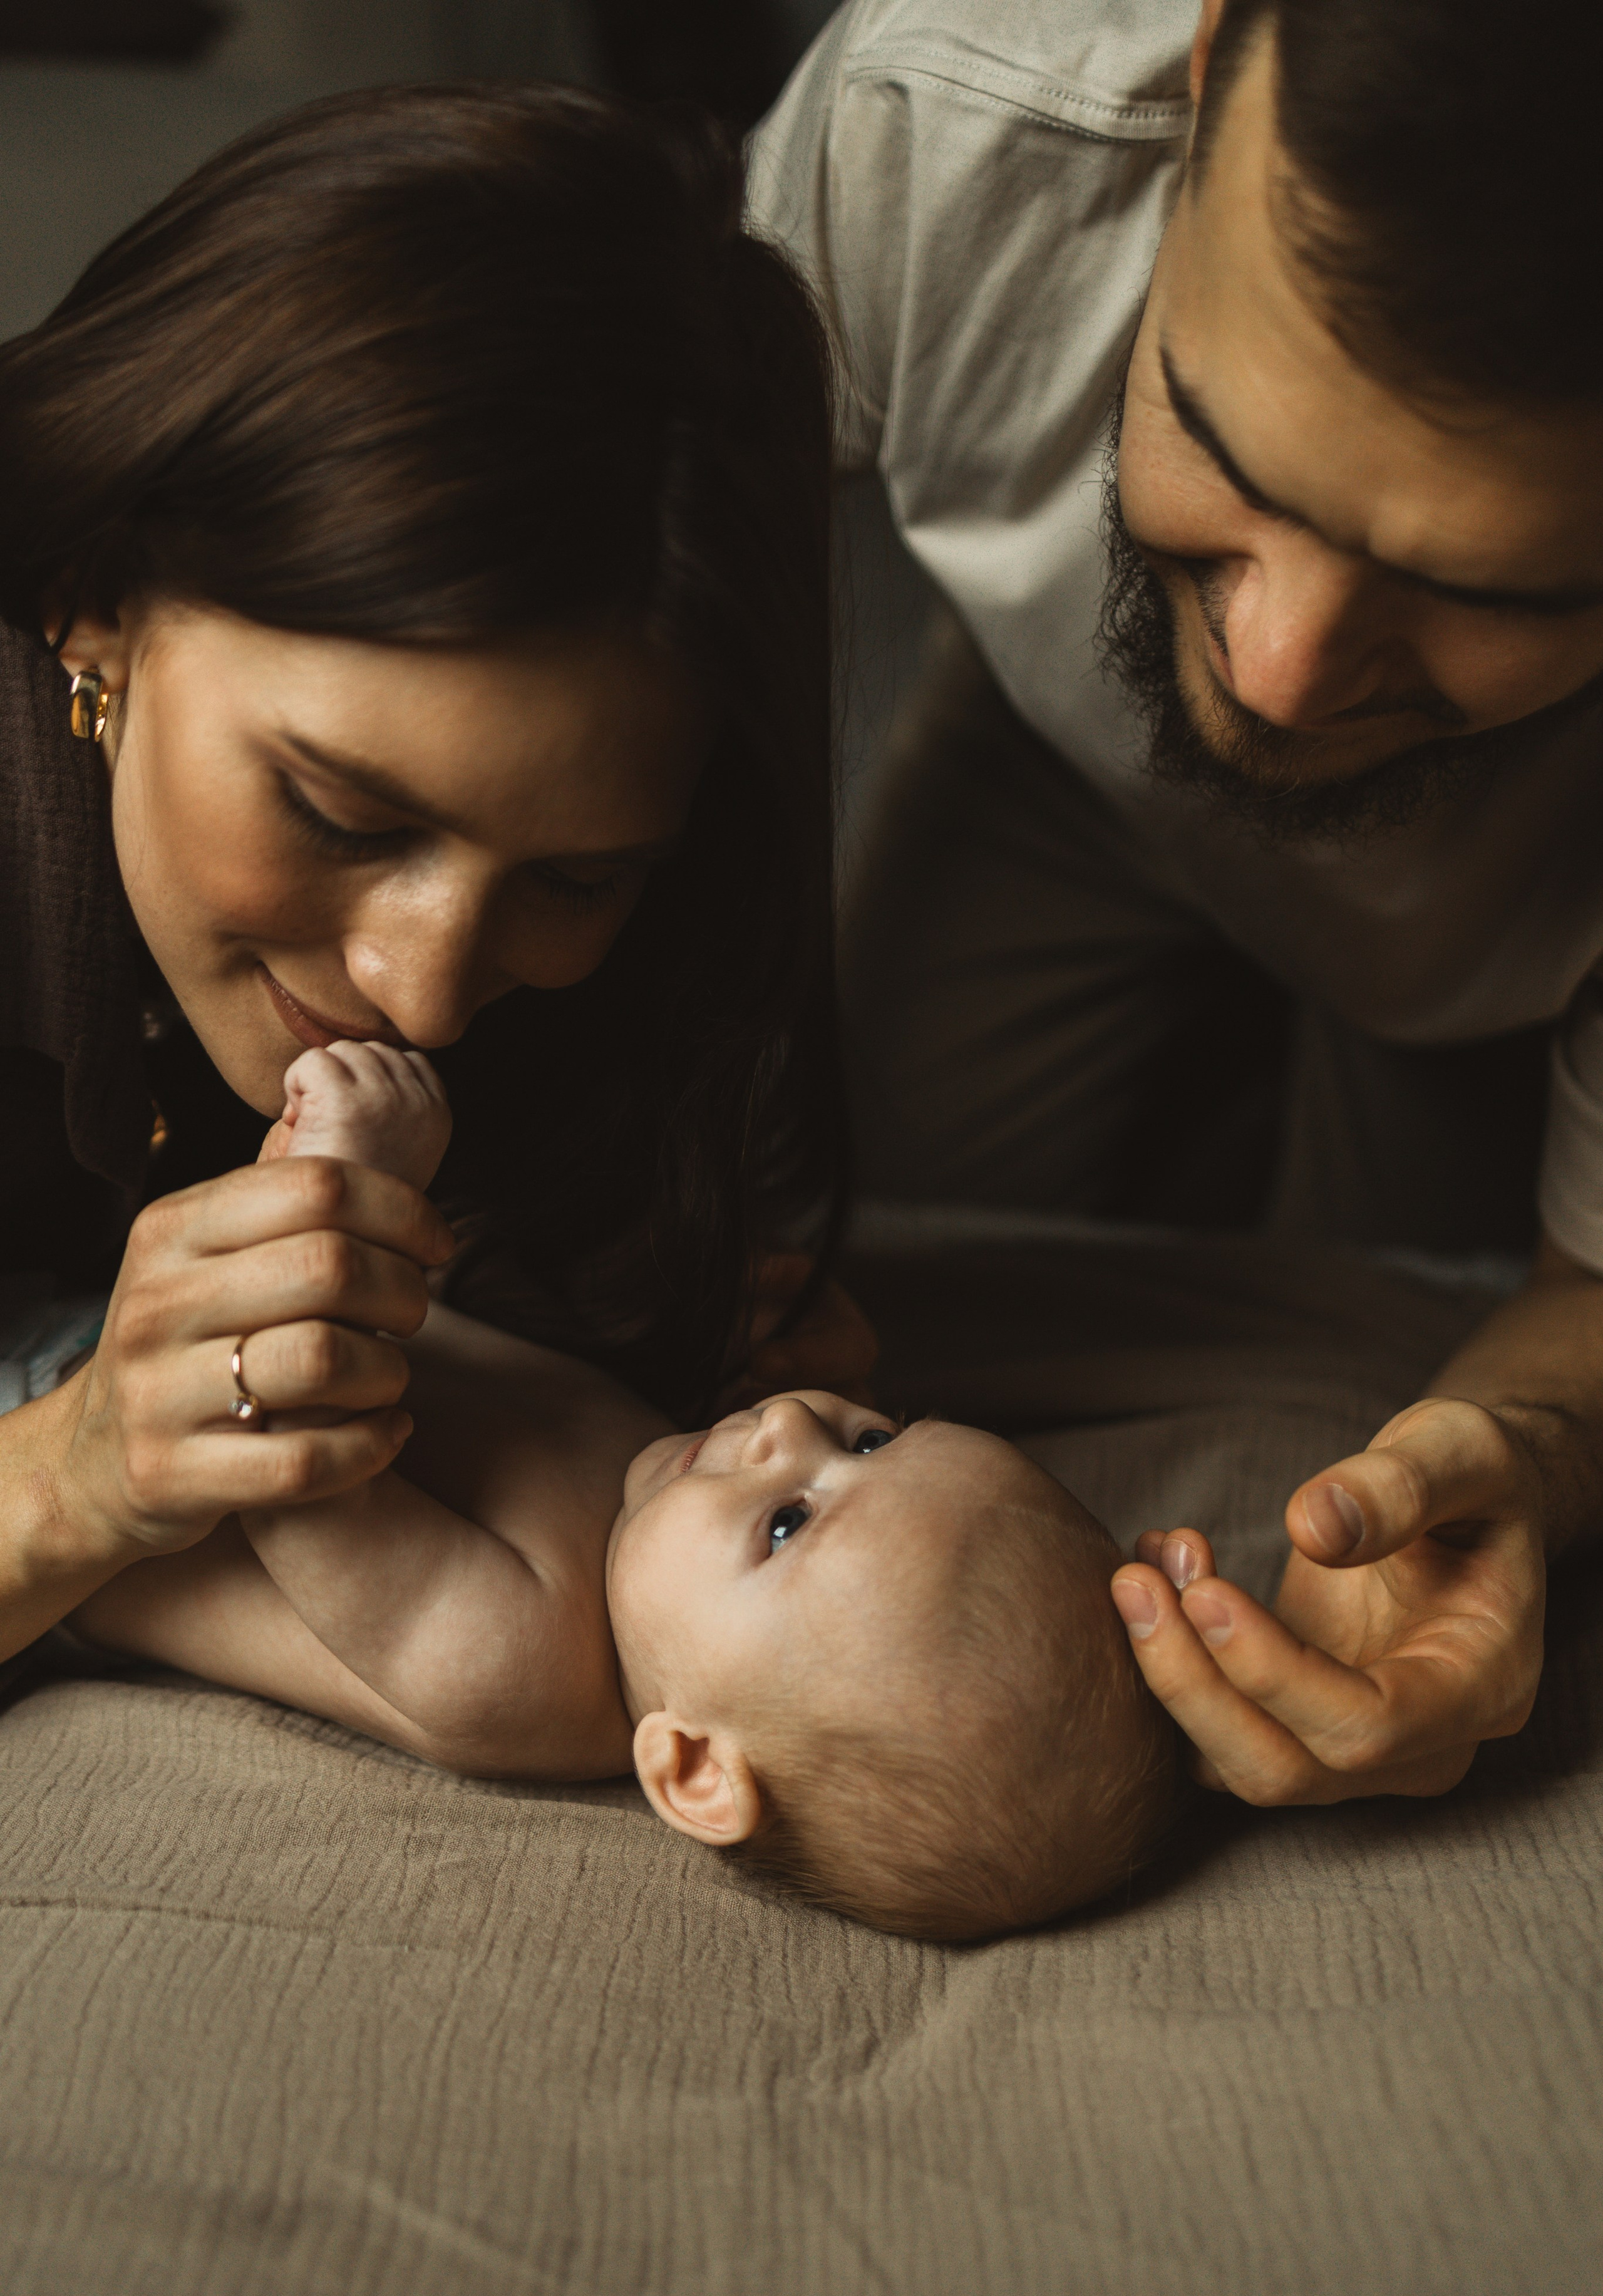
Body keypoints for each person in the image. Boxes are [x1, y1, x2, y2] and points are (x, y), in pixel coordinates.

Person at [748, 0, 1603, 1810]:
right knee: (888, 1233)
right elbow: (635, 627)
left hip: (1528, 965)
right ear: (1204, 79)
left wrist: (1523, 1437)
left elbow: (1582, 1292)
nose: (1284, 678)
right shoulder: (950, 113)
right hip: (1056, 754)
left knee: (1368, 1397)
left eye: (1479, 586)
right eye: (1225, 447)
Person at [0, 83, 875, 1672]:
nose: (422, 987)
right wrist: (67, 1484)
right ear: (93, 597)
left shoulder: (632, 984)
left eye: (574, 883)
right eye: (339, 816)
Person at [58, 1039, 1180, 1943]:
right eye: (877, 1441)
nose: (792, 1430)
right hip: (99, 1331)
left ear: (690, 1766)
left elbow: (285, 1461)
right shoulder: (665, 1520)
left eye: (791, 1522)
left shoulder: (517, 1663)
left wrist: (345, 1189)